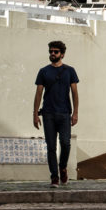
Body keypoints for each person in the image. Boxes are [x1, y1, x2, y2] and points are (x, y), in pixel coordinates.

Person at [33, 40, 79, 187]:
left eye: (56, 52)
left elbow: (74, 93)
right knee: (51, 147)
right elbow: (38, 93)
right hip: (48, 114)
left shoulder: (70, 71)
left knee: (66, 143)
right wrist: (35, 113)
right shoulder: (43, 71)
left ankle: (63, 167)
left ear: (62, 54)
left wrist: (75, 113)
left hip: (65, 113)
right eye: (51, 51)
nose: (52, 54)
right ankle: (54, 176)